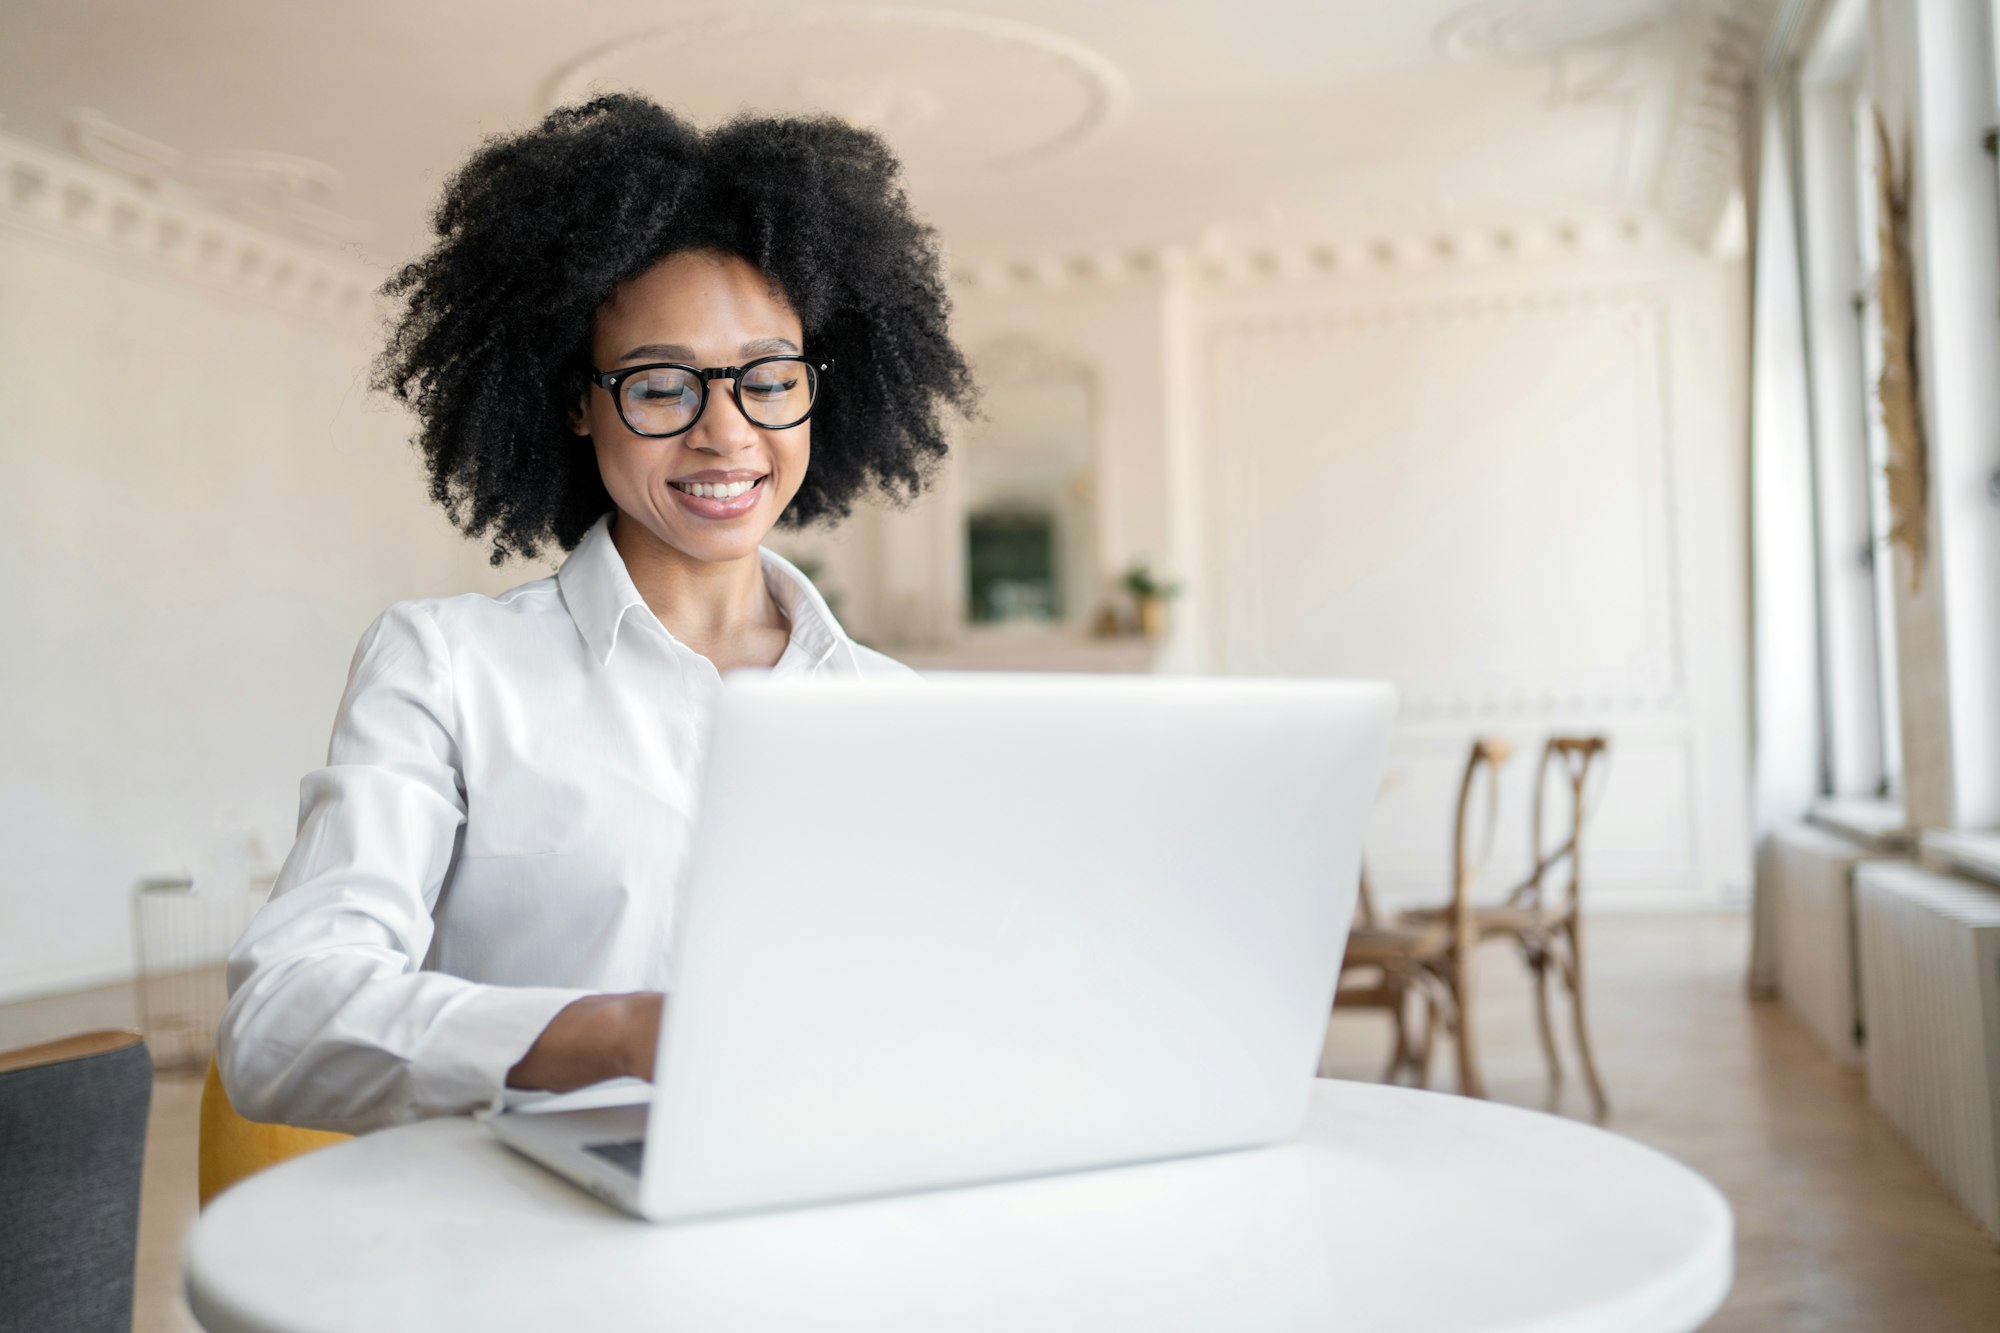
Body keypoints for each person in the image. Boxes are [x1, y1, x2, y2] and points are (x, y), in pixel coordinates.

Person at [217, 96, 975, 1132]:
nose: (725, 431)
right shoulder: (446, 667)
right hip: (527, 1246)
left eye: (767, 378)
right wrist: (618, 1034)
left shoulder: (890, 705)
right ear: (578, 401)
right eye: (662, 386)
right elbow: (279, 1029)